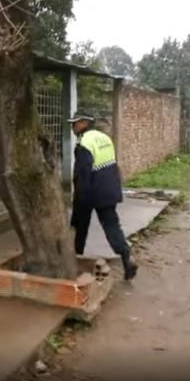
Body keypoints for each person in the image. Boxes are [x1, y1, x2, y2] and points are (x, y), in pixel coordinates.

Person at [68, 112, 139, 280]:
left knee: (79, 227)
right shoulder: (104, 138)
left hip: (90, 191)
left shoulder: (84, 141)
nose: (72, 127)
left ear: (85, 123)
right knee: (112, 226)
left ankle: (74, 262)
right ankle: (126, 256)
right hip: (109, 189)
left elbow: (82, 173)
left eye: (75, 123)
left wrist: (78, 198)